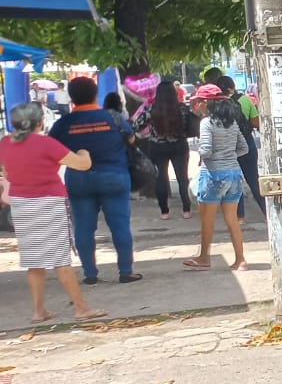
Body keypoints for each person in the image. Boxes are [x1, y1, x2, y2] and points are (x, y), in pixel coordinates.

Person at [0, 102, 107, 323]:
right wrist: (84, 152)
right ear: (40, 122)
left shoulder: (5, 144)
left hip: (21, 205)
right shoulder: (46, 144)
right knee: (60, 259)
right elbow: (81, 164)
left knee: (34, 260)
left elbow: (7, 172)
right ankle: (80, 308)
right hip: (49, 202)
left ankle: (38, 311)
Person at [48, 76, 140, 285]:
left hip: (79, 179)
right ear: (96, 94)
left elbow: (52, 149)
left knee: (83, 227)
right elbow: (131, 138)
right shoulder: (114, 118)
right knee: (120, 225)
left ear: (71, 97)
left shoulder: (63, 123)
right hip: (114, 176)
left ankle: (90, 274)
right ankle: (125, 271)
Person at [183, 84, 250, 271]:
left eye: (199, 101)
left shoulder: (206, 123)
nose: (197, 105)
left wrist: (198, 150)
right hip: (234, 173)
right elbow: (244, 148)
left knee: (207, 219)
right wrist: (228, 155)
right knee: (232, 219)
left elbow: (206, 151)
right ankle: (241, 260)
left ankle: (204, 258)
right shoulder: (232, 122)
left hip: (213, 174)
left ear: (207, 103)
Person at [136, 78, 193, 220]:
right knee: (182, 178)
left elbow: (137, 125)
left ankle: (164, 212)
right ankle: (186, 210)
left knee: (161, 178)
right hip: (179, 146)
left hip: (157, 146)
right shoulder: (182, 108)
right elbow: (189, 128)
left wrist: (149, 132)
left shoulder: (151, 109)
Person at [219, 76, 266, 218]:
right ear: (232, 87)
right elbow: (256, 123)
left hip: (227, 146)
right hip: (246, 142)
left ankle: (239, 217)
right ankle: (266, 212)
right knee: (253, 179)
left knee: (234, 181)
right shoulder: (245, 99)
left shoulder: (216, 104)